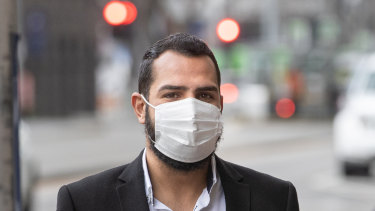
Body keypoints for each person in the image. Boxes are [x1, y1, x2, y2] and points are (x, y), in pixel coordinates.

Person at [56, 33, 299, 211]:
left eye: (205, 95)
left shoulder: (275, 199)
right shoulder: (83, 202)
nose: (191, 110)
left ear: (220, 106)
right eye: (172, 94)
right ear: (141, 108)